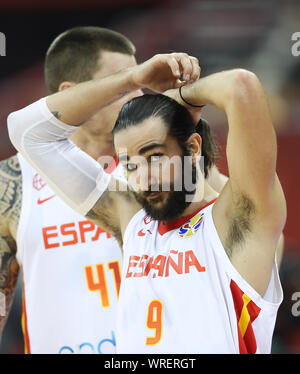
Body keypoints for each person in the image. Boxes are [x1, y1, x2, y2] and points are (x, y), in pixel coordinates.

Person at [8, 53, 286, 353]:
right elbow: (26, 131)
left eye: (155, 158)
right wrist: (133, 78)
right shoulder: (132, 220)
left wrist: (182, 98)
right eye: (129, 165)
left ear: (192, 148)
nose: (143, 179)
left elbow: (240, 85)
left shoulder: (237, 219)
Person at [0, 26, 143, 354]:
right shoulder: (12, 181)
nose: (137, 96)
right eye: (122, 84)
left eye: (139, 84)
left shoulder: (160, 170)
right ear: (71, 94)